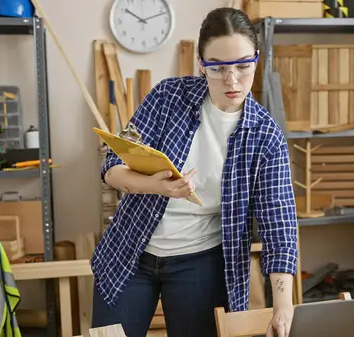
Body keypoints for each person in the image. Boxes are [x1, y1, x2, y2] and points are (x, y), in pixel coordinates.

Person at [91, 6, 298, 337]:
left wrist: (283, 306)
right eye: (217, 68)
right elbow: (111, 168)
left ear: (257, 59)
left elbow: (279, 224)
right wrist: (151, 185)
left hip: (201, 264)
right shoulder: (166, 97)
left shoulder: (266, 136)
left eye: (244, 66)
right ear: (201, 63)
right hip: (129, 253)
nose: (232, 80)